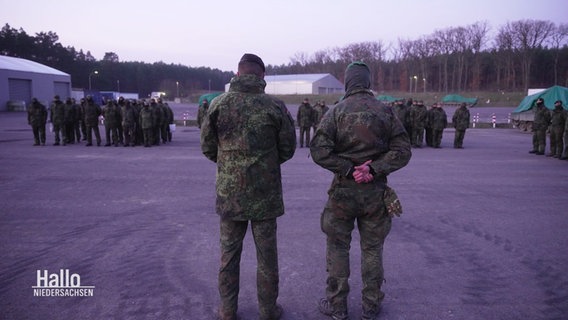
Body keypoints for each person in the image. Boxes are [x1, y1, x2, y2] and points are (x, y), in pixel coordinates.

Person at [310, 61, 412, 320]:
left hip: (343, 193)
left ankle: (337, 307)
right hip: (375, 195)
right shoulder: (385, 112)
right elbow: (402, 151)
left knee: (337, 247)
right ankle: (370, 306)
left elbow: (319, 150)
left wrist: (346, 168)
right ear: (367, 83)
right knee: (372, 249)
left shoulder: (336, 112)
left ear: (347, 83)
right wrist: (373, 169)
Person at [200, 53, 296, 320]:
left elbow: (208, 147)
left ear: (238, 74)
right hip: (265, 195)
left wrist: (230, 165)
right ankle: (267, 311)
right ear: (262, 76)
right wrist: (265, 164)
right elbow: (288, 148)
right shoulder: (274, 106)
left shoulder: (218, 104)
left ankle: (227, 311)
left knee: (229, 255)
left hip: (230, 195)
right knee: (267, 257)